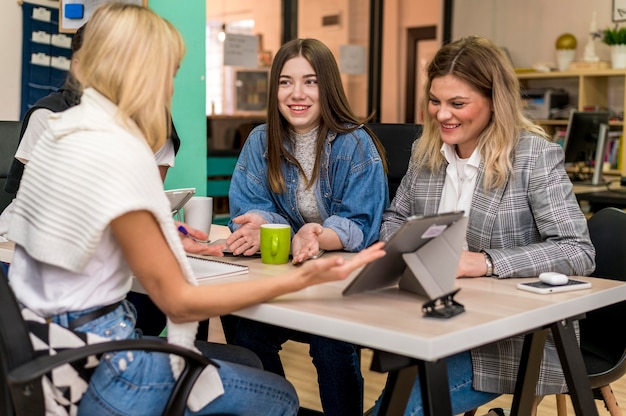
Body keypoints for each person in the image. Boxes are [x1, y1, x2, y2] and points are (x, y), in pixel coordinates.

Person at [6, 4, 386, 415]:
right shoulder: (121, 152)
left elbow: (61, 223)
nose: (171, 88)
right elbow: (181, 303)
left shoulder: (60, 132)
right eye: (169, 73)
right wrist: (297, 281)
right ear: (141, 74)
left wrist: (169, 237)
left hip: (40, 352)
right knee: (282, 396)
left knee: (249, 355)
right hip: (98, 370)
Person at [374, 35, 596, 415]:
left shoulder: (533, 156)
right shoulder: (425, 152)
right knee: (393, 404)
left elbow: (577, 250)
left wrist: (487, 262)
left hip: (505, 341)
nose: (442, 114)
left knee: (401, 409)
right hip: (429, 320)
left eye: (457, 103)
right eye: (435, 101)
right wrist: (405, 247)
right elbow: (395, 217)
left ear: (495, 102)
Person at [0, 22, 212, 339]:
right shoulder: (51, 116)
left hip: (113, 249)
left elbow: (147, 200)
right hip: (27, 245)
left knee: (160, 295)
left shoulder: (156, 123)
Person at [225, 38, 389, 416]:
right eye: (285, 82)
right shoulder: (260, 140)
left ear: (327, 86)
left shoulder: (354, 144)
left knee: (330, 343)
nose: (296, 93)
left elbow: (362, 224)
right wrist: (259, 223)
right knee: (245, 330)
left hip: (339, 279)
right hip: (287, 274)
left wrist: (316, 235)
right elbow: (253, 205)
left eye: (310, 81)